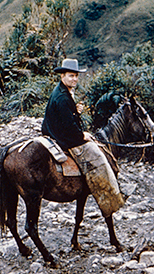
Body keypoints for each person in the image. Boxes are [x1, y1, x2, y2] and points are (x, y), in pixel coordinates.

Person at [42, 58, 125, 217]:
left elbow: (65, 116)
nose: (74, 79)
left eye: (76, 76)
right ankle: (110, 198)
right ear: (62, 76)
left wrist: (75, 111)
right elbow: (69, 127)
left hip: (53, 131)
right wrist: (82, 135)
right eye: (71, 76)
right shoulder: (62, 98)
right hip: (62, 137)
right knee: (98, 157)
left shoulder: (62, 91)